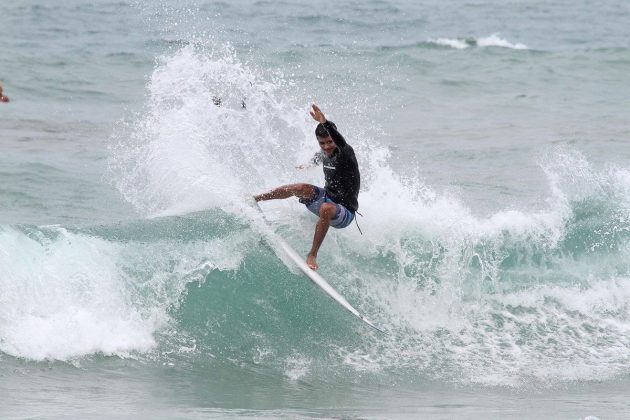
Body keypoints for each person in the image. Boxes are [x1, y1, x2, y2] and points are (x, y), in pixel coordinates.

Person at [255, 104, 360, 270]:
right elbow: (317, 158)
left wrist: (324, 122)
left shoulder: (346, 153)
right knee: (299, 187)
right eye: (322, 143)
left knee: (325, 208)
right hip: (327, 198)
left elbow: (340, 142)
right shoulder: (324, 153)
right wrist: (305, 166)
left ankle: (312, 255)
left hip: (344, 213)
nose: (326, 146)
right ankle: (256, 198)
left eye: (330, 142)